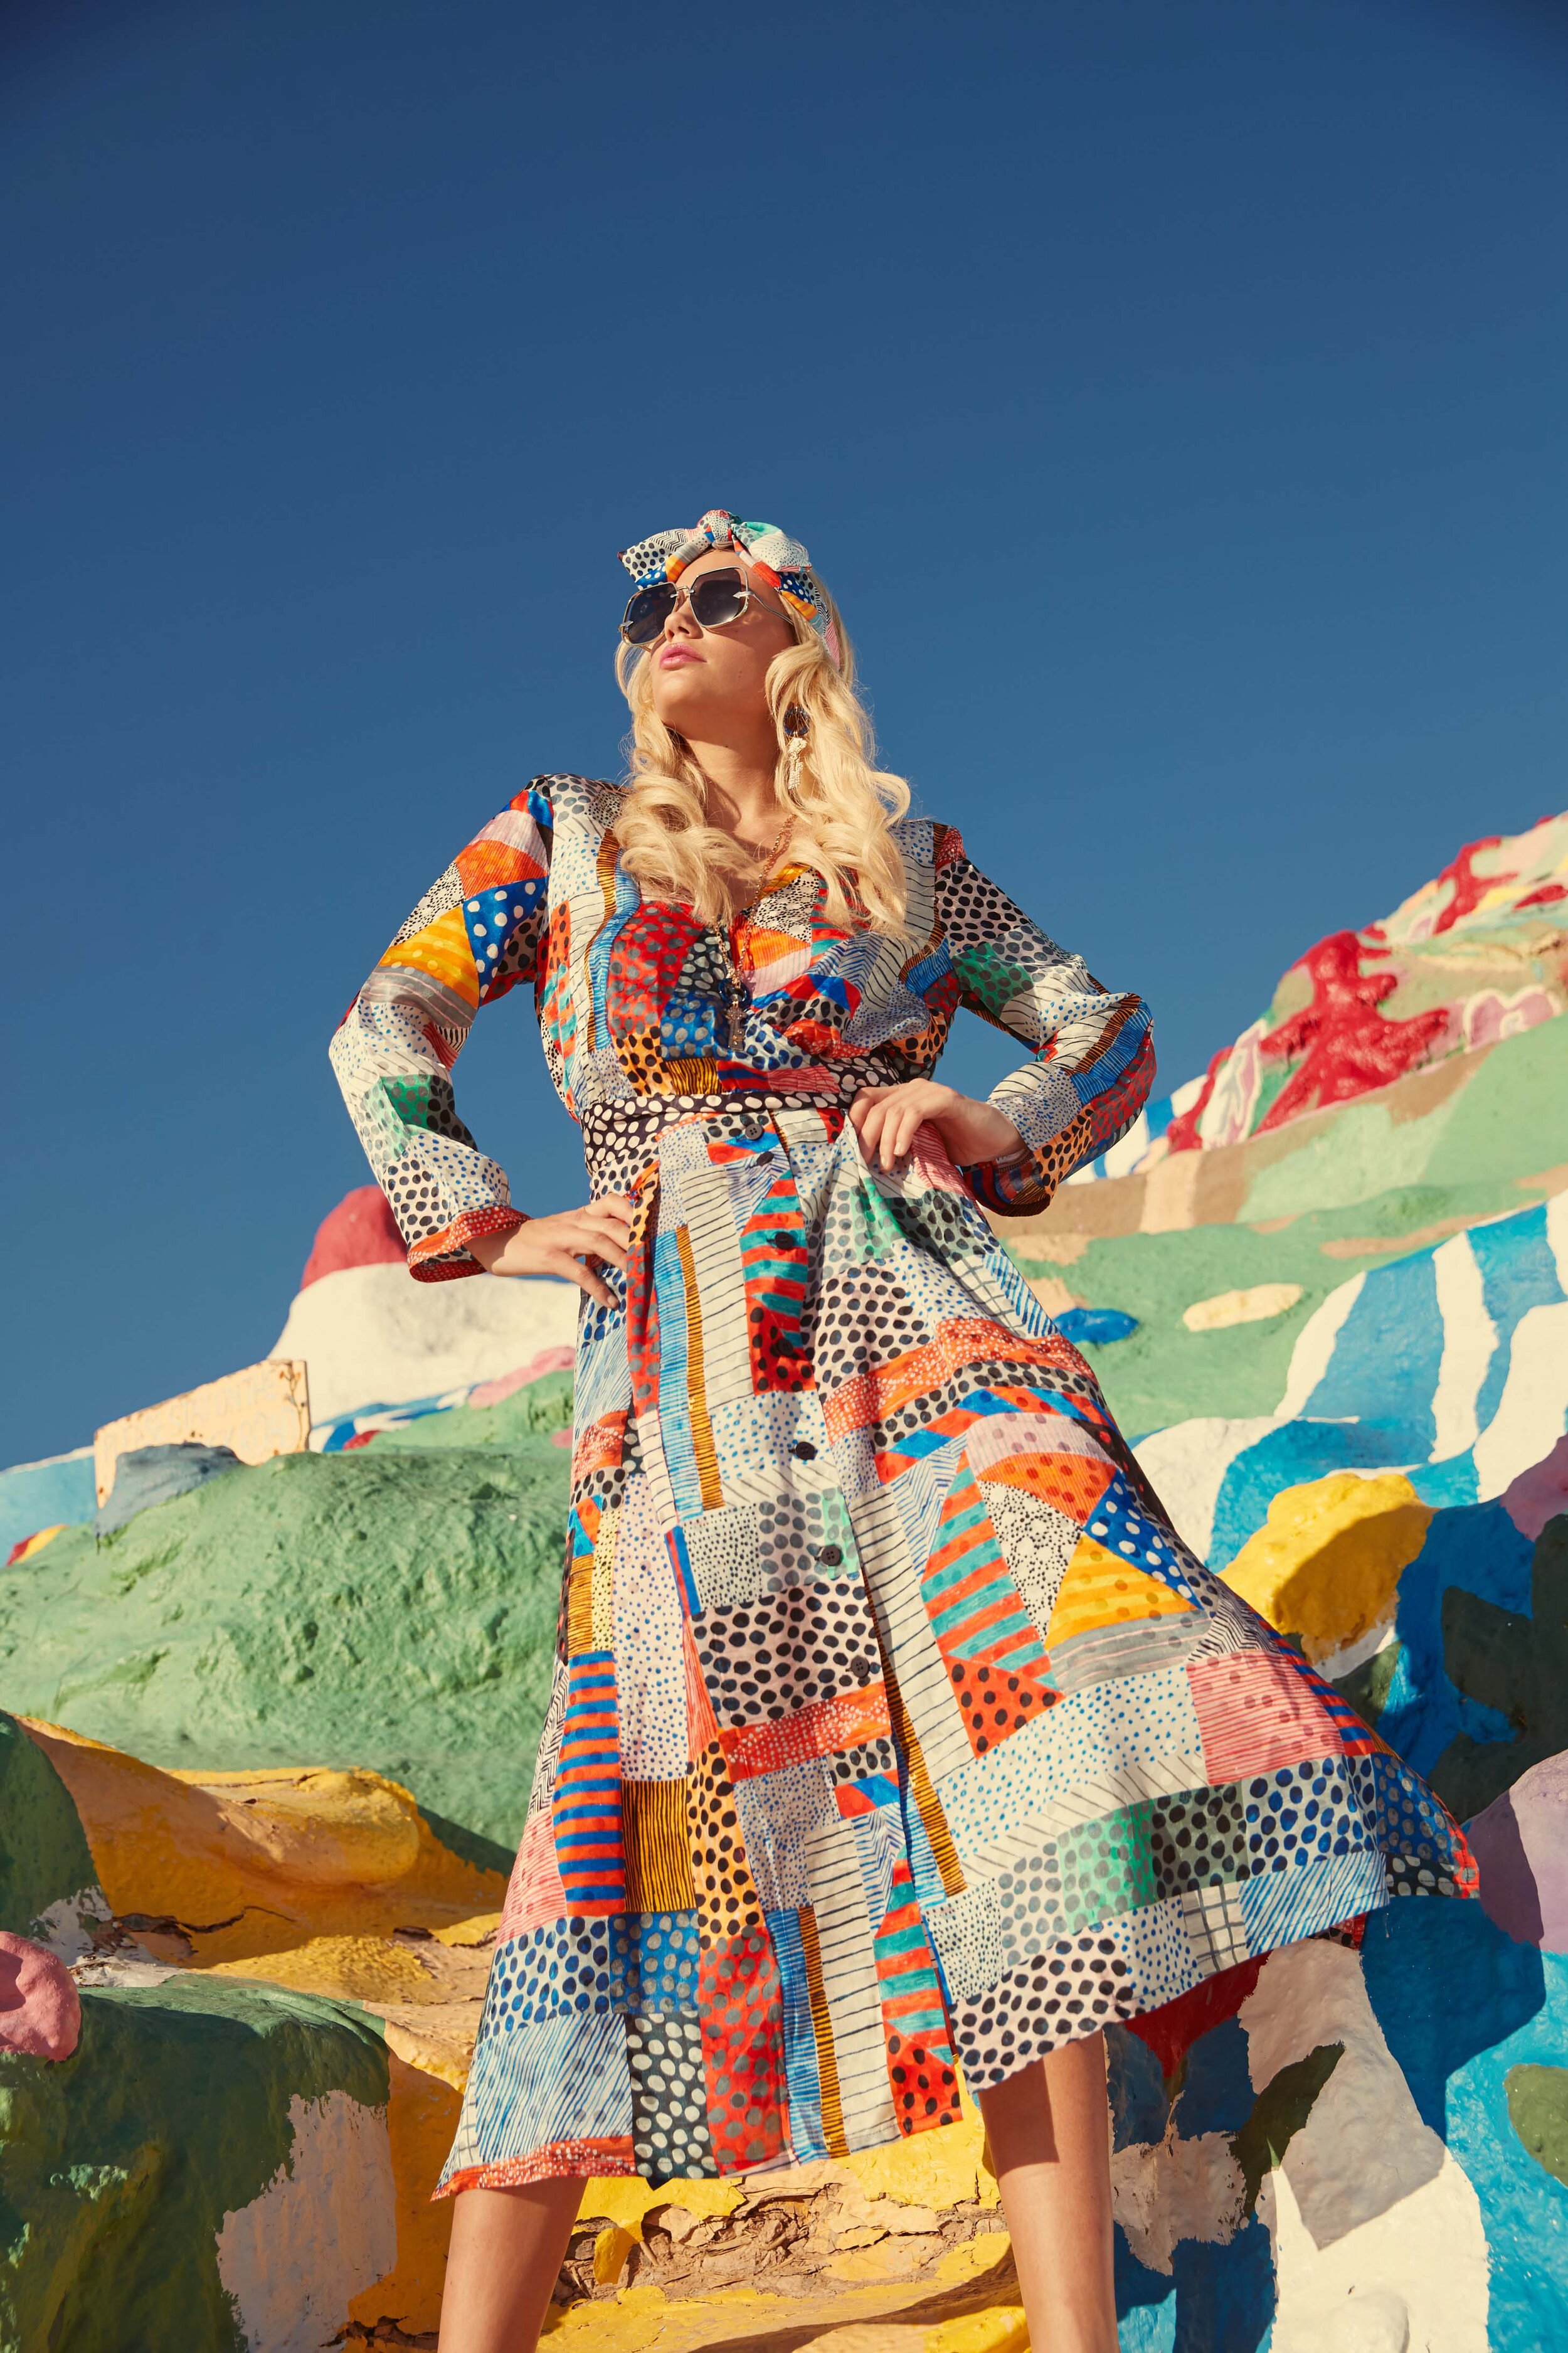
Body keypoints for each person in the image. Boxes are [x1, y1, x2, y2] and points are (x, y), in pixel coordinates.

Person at [330, 510, 1476, 2353]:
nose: (673, 626)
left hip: (912, 1311)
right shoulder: (556, 833)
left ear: (798, 641)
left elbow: (1103, 1027)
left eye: (722, 595)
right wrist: (480, 1220)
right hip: (686, 1354)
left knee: (1033, 1743)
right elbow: (389, 1025)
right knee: (622, 1818)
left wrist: (981, 1113)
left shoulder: (909, 864)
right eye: (649, 606)